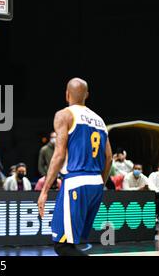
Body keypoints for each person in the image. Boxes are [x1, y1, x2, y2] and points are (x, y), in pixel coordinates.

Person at [38, 78, 113, 256]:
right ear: (86, 95)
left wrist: (45, 190)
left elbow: (59, 154)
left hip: (76, 182)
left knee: (62, 246)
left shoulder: (64, 115)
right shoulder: (99, 120)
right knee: (72, 243)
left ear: (67, 94)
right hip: (95, 184)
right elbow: (109, 158)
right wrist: (100, 183)